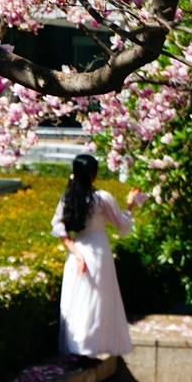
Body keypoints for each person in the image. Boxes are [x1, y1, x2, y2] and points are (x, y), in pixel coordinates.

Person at [51, 153, 139, 360]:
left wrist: (78, 255)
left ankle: (78, 348)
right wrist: (130, 204)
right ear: (93, 175)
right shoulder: (101, 198)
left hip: (77, 252)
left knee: (78, 301)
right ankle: (88, 350)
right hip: (98, 252)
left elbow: (61, 230)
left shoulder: (68, 198)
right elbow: (122, 224)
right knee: (95, 302)